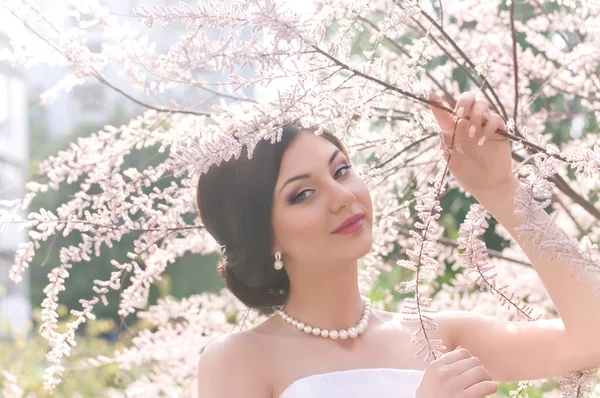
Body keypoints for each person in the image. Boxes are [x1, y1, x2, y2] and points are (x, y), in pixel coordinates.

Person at [195, 92, 600, 397]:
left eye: (341, 170)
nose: (341, 196)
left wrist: (501, 190)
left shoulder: (440, 336)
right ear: (263, 237)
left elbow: (591, 339)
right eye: (302, 194)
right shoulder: (239, 359)